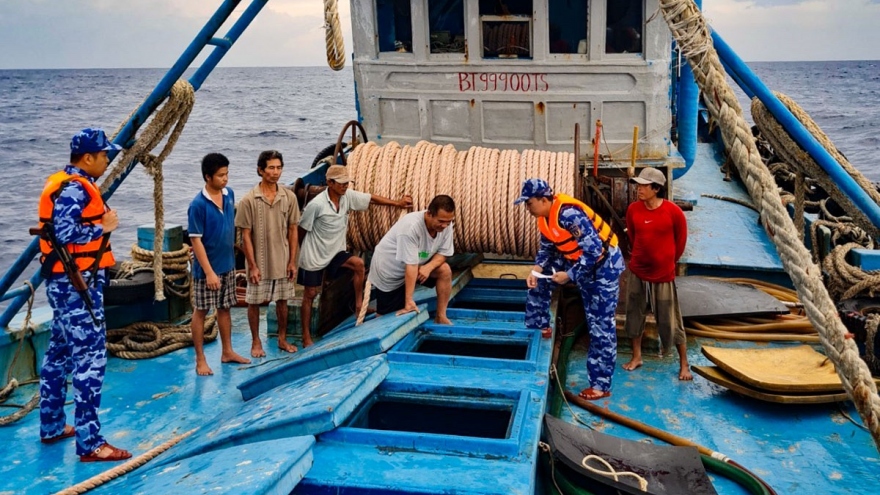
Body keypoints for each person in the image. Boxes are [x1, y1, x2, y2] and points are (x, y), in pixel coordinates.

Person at [37, 128, 132, 462]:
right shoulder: (75, 189)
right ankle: (91, 443)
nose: (107, 160)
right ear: (88, 157)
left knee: (58, 352)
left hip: (63, 282)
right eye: (104, 154)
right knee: (90, 360)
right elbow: (63, 234)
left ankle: (51, 425)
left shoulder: (65, 182)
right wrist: (102, 227)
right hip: (77, 285)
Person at [517, 178, 624, 401]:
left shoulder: (568, 215)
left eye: (529, 203)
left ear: (543, 199)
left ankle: (600, 384)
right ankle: (541, 323)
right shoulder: (544, 219)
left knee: (600, 325)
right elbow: (547, 250)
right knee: (540, 277)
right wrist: (535, 269)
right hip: (581, 264)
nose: (527, 208)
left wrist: (570, 275)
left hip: (603, 269)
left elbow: (595, 252)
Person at [297, 165, 412, 346]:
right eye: (341, 183)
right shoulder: (316, 205)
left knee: (358, 265)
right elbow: (301, 230)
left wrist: (397, 203)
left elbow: (370, 198)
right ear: (330, 183)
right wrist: (297, 256)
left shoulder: (347, 196)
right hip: (314, 255)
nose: (345, 186)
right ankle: (305, 336)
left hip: (335, 252)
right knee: (309, 294)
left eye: (347, 182)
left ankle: (359, 306)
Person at [622, 167, 692, 381]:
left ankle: (684, 364)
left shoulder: (673, 212)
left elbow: (680, 243)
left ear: (656, 188)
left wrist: (666, 263)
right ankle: (637, 357)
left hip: (663, 275)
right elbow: (633, 238)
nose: (639, 189)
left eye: (644, 185)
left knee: (671, 320)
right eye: (639, 185)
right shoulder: (633, 210)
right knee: (634, 315)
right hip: (638, 272)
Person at [187, 153, 251, 376]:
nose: (225, 179)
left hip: (227, 265)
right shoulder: (197, 205)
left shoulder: (229, 194)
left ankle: (228, 352)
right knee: (201, 311)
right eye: (220, 175)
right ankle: (200, 359)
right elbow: (196, 240)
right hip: (207, 271)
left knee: (225, 308)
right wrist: (209, 272)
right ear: (207, 177)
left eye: (227, 174)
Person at [235, 150, 300, 356]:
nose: (276, 172)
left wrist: (292, 262)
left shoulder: (288, 197)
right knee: (253, 302)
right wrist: (252, 265)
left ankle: (282, 339)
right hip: (259, 264)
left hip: (282, 260)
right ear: (260, 170)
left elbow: (293, 231)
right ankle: (256, 342)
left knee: (283, 301)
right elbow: (245, 236)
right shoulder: (248, 201)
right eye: (271, 168)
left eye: (279, 167)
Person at [367, 194, 455, 324]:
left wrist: (428, 267)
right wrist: (409, 301)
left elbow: (444, 252)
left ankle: (441, 316)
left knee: (444, 270)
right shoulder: (411, 227)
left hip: (416, 264)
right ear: (429, 214)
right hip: (390, 270)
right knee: (386, 317)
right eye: (441, 221)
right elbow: (411, 266)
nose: (444, 226)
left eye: (448, 222)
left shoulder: (445, 225)